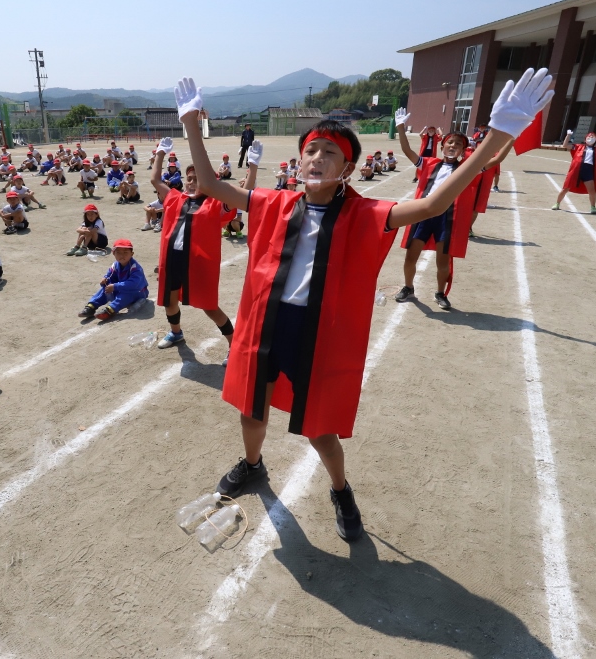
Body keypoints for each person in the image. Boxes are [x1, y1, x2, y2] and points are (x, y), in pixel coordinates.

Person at [171, 70, 550, 539]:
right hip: (268, 325)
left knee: (319, 429)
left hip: (319, 332)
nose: (317, 156)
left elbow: (432, 205)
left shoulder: (364, 212)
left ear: (347, 168)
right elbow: (207, 183)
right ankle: (253, 464)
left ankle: (340, 489)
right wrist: (191, 120)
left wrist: (497, 136)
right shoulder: (274, 203)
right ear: (299, 159)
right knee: (252, 409)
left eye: (330, 152)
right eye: (310, 149)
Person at [150, 134, 258, 360]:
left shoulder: (214, 203)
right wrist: (160, 152)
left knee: (209, 307)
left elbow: (241, 198)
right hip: (173, 260)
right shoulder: (175, 198)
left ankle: (234, 344)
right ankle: (176, 332)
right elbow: (155, 180)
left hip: (198, 264)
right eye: (189, 177)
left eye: (197, 178)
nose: (192, 182)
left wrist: (253, 167)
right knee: (169, 301)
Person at [393, 112, 485, 310]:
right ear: (442, 146)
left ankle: (440, 292)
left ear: (463, 151)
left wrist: (509, 138)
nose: (453, 146)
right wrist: (400, 126)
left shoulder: (465, 169)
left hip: (446, 218)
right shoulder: (429, 163)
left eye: (458, 144)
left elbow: (493, 161)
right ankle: (408, 287)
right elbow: (407, 150)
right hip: (423, 214)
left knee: (442, 262)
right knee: (411, 256)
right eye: (450, 142)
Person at [77, 238, 149, 320]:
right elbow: (109, 275)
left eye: (125, 253)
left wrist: (115, 286)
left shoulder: (135, 267)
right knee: (106, 287)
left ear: (132, 254)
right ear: (113, 253)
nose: (122, 255)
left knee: (126, 294)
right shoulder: (115, 265)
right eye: (118, 253)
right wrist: (105, 279)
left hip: (138, 292)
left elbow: (133, 284)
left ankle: (110, 310)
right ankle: (91, 306)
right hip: (121, 287)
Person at [553, 131, 596, 214]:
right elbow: (565, 145)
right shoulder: (578, 147)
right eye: (589, 137)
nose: (590, 138)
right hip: (576, 170)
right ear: (585, 139)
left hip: (588, 171)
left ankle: (593, 207)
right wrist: (568, 135)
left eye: (593, 137)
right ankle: (557, 203)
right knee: (565, 188)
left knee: (591, 190)